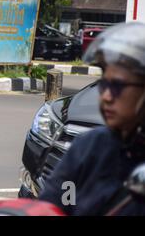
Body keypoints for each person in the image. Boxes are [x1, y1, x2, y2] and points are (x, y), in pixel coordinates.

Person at [39, 22, 145, 215]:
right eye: (104, 84)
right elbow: (52, 204)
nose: (106, 96)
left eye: (118, 86)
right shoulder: (90, 146)